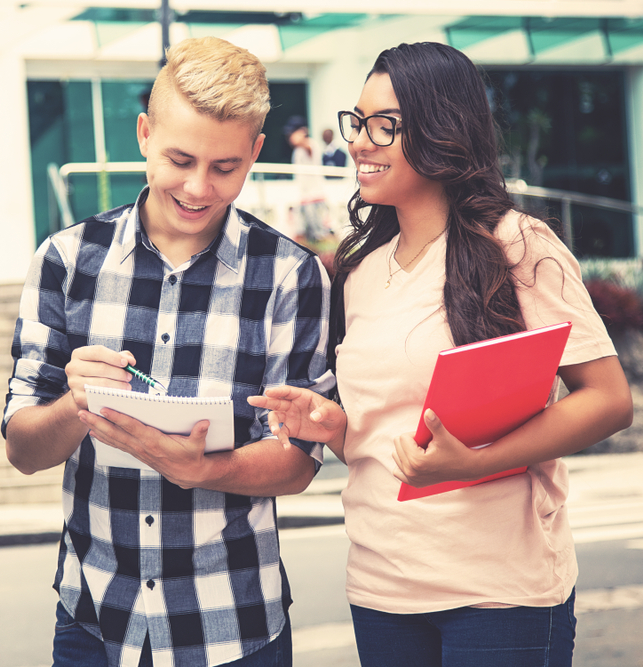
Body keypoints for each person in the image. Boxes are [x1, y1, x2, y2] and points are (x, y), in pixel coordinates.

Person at [249, 42, 633, 667]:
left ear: (442, 129)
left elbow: (609, 401)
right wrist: (335, 427)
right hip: (382, 585)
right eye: (357, 122)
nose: (360, 142)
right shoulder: (360, 271)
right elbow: (391, 438)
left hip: (498, 590)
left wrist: (473, 463)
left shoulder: (517, 245)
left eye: (385, 126)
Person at [3, 36, 332, 667]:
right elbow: (21, 450)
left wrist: (206, 469)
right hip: (94, 619)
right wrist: (79, 404)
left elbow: (301, 459)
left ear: (256, 152)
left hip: (236, 623)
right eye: (180, 158)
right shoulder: (67, 262)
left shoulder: (290, 276)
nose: (198, 187)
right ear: (144, 133)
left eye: (225, 167)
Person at [282, 115, 328, 242]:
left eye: (293, 132)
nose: (290, 137)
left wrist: (301, 138)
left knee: (319, 236)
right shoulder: (297, 150)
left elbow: (308, 147)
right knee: (305, 236)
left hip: (314, 197)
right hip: (304, 198)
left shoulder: (311, 144)